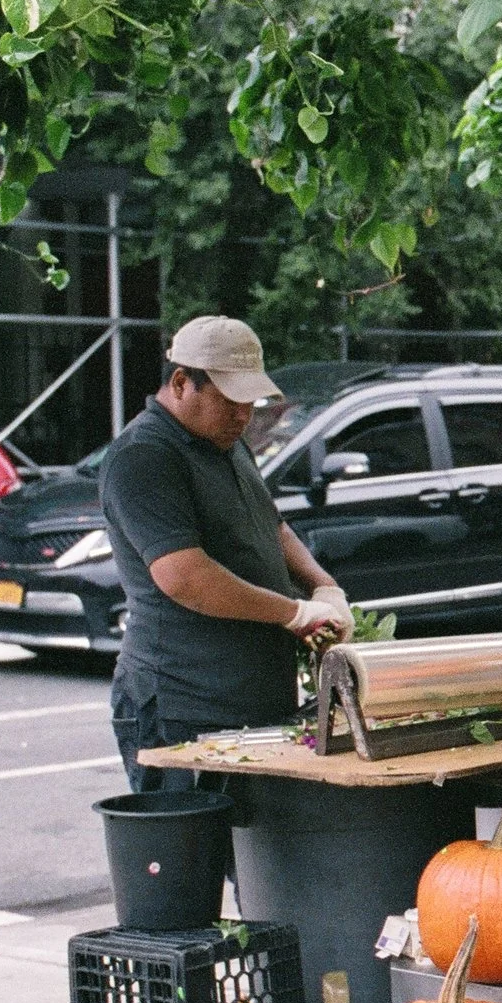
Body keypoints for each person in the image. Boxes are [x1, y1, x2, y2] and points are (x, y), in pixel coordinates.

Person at [103, 316, 351, 792]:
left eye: (250, 403)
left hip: (254, 699)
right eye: (229, 401)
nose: (244, 416)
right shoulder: (143, 457)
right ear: (181, 383)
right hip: (182, 702)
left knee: (256, 861)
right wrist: (294, 613)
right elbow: (185, 578)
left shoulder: (229, 443)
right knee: (190, 860)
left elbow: (271, 527)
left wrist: (323, 585)